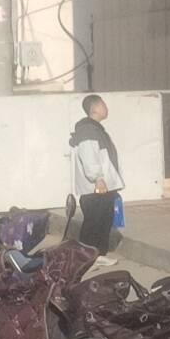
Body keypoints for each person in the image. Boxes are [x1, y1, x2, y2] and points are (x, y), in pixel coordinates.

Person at [70, 94, 124, 266]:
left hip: (102, 186)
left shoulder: (95, 130)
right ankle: (88, 258)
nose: (106, 108)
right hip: (97, 187)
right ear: (94, 109)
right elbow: (89, 157)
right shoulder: (88, 131)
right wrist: (98, 179)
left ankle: (97, 256)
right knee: (94, 222)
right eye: (103, 104)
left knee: (103, 220)